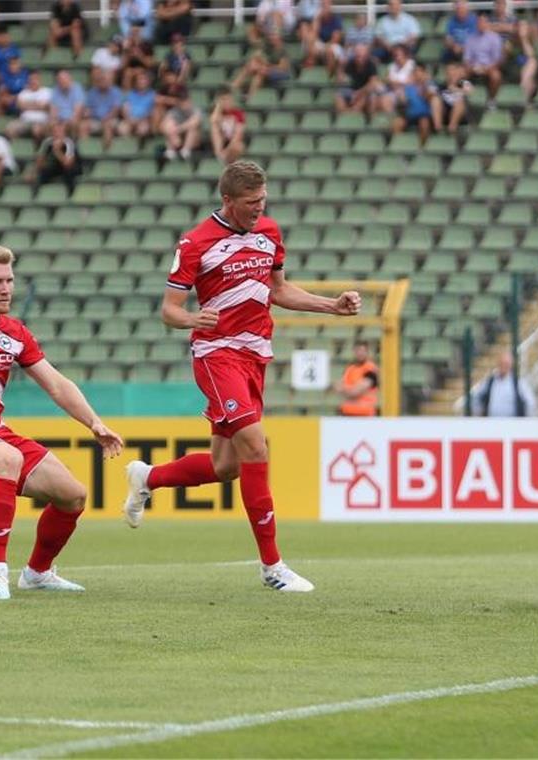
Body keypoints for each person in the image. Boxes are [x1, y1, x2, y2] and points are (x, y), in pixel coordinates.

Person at [121, 160, 363, 592]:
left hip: (255, 356)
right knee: (255, 444)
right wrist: (194, 319)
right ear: (227, 200)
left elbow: (279, 290)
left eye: (263, 200)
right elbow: (169, 310)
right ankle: (273, 567)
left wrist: (333, 306)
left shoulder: (269, 232)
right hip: (217, 355)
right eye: (251, 202)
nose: (259, 208)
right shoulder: (196, 243)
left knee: (226, 466)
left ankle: (148, 478)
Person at [0, 243, 124, 600]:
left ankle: (37, 573)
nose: (6, 289)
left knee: (73, 495)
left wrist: (94, 422)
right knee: (8, 458)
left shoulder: (14, 333)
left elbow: (57, 384)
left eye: (10, 280)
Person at [473, 350, 537, 417]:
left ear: (511, 365)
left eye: (506, 364)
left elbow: (531, 403)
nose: (504, 366)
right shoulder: (490, 381)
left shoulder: (518, 383)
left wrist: (525, 422)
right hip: (492, 424)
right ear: (498, 364)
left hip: (512, 424)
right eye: (502, 363)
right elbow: (477, 398)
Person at [462, 14, 505, 108]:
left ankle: (491, 100)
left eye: (483, 22)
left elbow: (497, 59)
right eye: (479, 22)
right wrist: (471, 67)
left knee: (496, 76)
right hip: (474, 67)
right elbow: (467, 58)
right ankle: (463, 100)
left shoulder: (495, 38)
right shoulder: (470, 38)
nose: (481, 24)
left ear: (487, 23)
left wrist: (487, 68)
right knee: (460, 73)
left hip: (489, 67)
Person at [34, 121, 82, 193]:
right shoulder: (47, 142)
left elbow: (68, 164)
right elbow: (39, 164)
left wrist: (57, 151)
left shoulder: (69, 143)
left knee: (69, 173)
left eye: (60, 131)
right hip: (55, 167)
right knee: (43, 173)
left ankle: (71, 194)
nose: (58, 134)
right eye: (55, 131)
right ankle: (37, 194)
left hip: (71, 168)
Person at [333, 43, 379, 115]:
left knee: (368, 94)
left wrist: (359, 93)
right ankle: (345, 114)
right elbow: (339, 81)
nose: (359, 57)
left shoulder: (371, 64)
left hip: (365, 91)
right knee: (338, 95)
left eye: (361, 55)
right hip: (353, 90)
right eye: (357, 55)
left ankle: (354, 112)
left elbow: (373, 83)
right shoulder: (350, 64)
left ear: (366, 55)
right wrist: (341, 66)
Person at [336, 341, 379, 416]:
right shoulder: (349, 368)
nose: (360, 353)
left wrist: (344, 389)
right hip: (346, 413)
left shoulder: (370, 369)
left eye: (363, 350)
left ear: (367, 352)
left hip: (364, 415)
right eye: (358, 350)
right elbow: (338, 387)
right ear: (354, 351)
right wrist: (348, 390)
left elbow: (355, 392)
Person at [160, 87, 202, 160]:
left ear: (189, 100)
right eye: (182, 101)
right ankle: (170, 150)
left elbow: (195, 121)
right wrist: (173, 134)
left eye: (185, 100)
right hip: (177, 138)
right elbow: (163, 126)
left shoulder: (196, 110)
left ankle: (186, 150)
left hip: (194, 140)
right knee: (169, 124)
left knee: (192, 127)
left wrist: (178, 129)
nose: (184, 103)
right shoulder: (174, 111)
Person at [209, 89, 246, 163]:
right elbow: (213, 121)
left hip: (233, 142)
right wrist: (218, 107)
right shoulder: (219, 113)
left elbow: (238, 134)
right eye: (224, 100)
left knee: (238, 146)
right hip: (222, 140)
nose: (227, 102)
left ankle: (225, 158)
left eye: (228, 100)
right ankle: (218, 154)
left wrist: (226, 151)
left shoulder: (238, 113)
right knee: (214, 127)